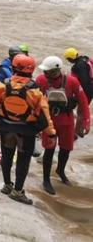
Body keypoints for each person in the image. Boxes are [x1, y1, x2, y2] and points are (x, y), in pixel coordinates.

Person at [0, 54, 56, 205]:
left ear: (13, 68)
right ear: (31, 70)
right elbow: (44, 114)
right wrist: (51, 133)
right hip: (26, 131)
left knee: (6, 156)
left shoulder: (2, 85)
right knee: (23, 160)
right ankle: (18, 191)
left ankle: (7, 185)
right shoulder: (34, 91)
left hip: (6, 127)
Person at [36, 56, 90, 195]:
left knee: (66, 149)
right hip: (48, 122)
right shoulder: (40, 80)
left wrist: (86, 122)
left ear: (56, 70)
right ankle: (46, 180)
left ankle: (60, 171)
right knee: (49, 150)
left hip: (66, 121)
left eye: (47, 71)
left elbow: (83, 102)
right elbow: (34, 100)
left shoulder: (72, 81)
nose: (44, 73)